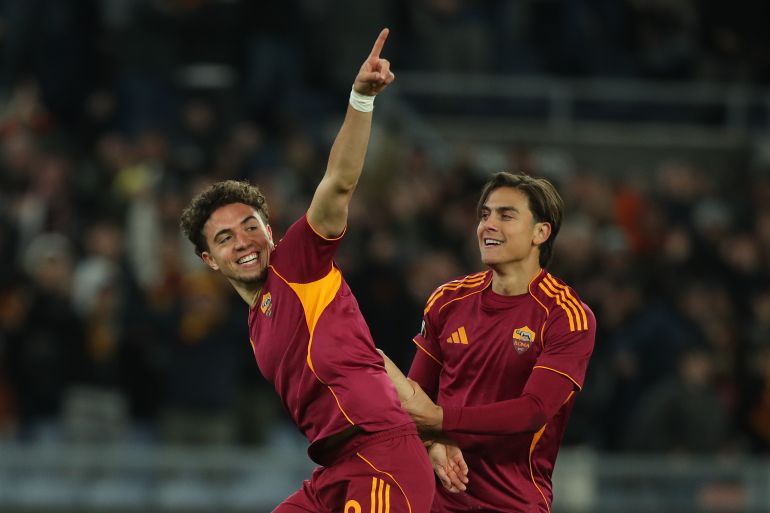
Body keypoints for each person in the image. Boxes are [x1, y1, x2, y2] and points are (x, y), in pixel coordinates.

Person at [179, 29, 435, 513]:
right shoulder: (258, 325)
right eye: (225, 238)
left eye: (250, 227)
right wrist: (433, 434)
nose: (244, 243)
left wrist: (361, 99)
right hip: (337, 469)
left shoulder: (297, 264)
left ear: (271, 231)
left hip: (378, 457)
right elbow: (370, 358)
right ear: (210, 260)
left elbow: (338, 183)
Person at [382, 172, 596, 513]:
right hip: (436, 499)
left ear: (541, 232)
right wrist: (432, 440)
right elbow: (414, 395)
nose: (487, 225)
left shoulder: (566, 315)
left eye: (505, 215)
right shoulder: (447, 300)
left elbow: (533, 411)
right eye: (484, 215)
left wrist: (439, 421)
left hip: (513, 503)